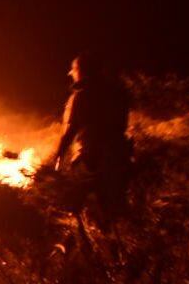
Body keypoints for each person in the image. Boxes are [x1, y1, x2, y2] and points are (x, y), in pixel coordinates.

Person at [46, 53, 132, 218]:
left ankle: (84, 238)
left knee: (72, 207)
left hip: (91, 158)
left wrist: (58, 157)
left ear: (81, 71)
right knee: (116, 208)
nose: (71, 74)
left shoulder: (81, 96)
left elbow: (69, 131)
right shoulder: (118, 94)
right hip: (119, 156)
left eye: (73, 70)